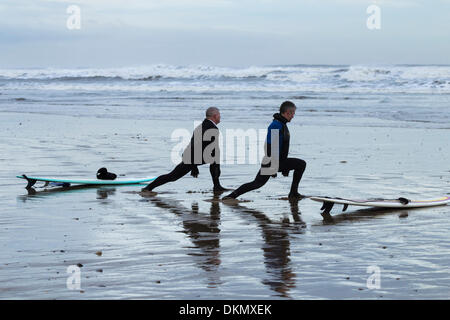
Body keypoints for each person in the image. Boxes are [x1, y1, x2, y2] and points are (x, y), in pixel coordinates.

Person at [223, 101, 306, 200]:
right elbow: (270, 146)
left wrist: (285, 168)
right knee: (257, 183)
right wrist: (274, 166)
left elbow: (281, 147)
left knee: (300, 164)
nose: (293, 116)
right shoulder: (276, 125)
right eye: (293, 113)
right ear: (287, 112)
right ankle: (231, 196)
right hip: (272, 161)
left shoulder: (281, 123)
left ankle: (293, 193)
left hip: (278, 161)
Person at [141, 107, 228, 193]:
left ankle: (217, 186)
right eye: (219, 115)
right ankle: (148, 188)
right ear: (215, 116)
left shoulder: (204, 126)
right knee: (173, 177)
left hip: (193, 155)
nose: (220, 117)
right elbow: (195, 146)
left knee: (215, 159)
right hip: (191, 157)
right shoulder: (211, 128)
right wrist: (194, 166)